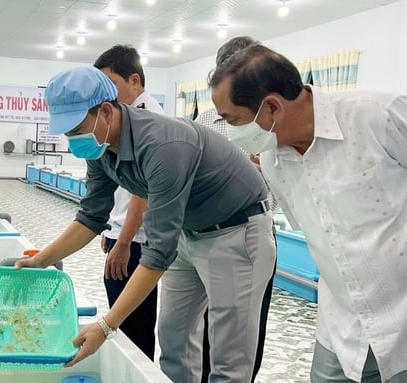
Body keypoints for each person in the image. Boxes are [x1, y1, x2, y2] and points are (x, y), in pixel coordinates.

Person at [15, 66, 277, 382]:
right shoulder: (100, 149)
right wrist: (40, 261)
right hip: (189, 232)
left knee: (228, 357)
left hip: (237, 230)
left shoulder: (162, 145)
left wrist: (106, 325)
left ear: (106, 112)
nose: (72, 140)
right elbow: (91, 216)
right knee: (173, 337)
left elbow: (157, 255)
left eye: (75, 129)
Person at [209, 43, 407, 383]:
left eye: (233, 121)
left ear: (271, 106)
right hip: (341, 330)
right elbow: (315, 232)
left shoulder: (379, 115)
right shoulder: (273, 161)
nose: (233, 133)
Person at [193, 35, 275, 383]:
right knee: (207, 323)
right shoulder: (205, 121)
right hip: (206, 234)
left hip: (252, 229)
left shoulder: (271, 121)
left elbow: (277, 196)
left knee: (245, 328)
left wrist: (261, 174)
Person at [92, 44, 163, 361]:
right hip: (123, 235)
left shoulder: (150, 122)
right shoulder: (124, 121)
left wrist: (122, 242)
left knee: (135, 327)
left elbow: (143, 193)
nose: (106, 98)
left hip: (137, 241)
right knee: (126, 323)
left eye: (112, 87)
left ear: (135, 81)